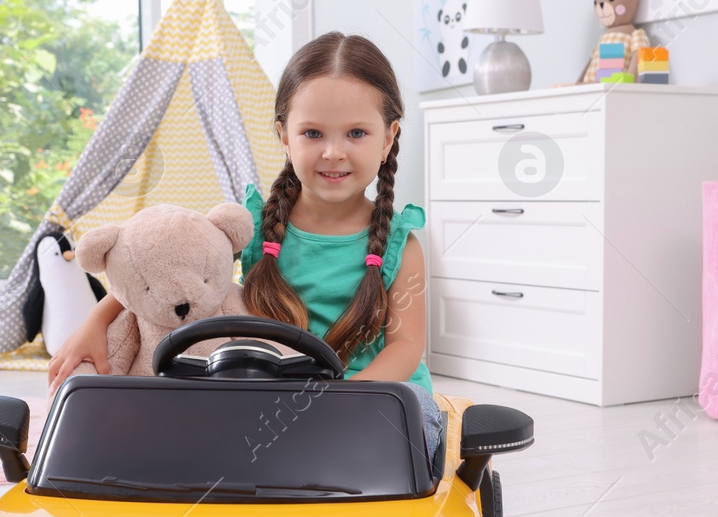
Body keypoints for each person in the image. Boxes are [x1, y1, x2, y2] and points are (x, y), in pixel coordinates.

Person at [46, 30, 444, 462]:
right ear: (284, 137)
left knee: (408, 423)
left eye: (356, 133)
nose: (333, 152)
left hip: (372, 399)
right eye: (312, 133)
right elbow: (173, 272)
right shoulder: (250, 225)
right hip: (272, 399)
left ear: (388, 138)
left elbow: (405, 348)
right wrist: (97, 319)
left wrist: (339, 402)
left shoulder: (402, 245)